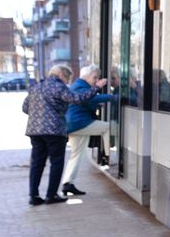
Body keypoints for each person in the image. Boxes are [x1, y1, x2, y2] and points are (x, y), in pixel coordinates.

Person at [22, 64, 107, 205]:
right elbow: (78, 99)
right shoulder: (58, 86)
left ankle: (34, 196)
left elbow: (25, 108)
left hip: (35, 131)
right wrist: (96, 88)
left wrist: (39, 115)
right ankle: (51, 195)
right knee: (56, 162)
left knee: (37, 163)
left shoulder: (35, 87)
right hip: (54, 131)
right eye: (67, 78)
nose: (67, 82)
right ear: (61, 75)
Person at [60, 65, 115, 196]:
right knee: (107, 127)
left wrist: (96, 103)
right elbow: (92, 98)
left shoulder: (79, 86)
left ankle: (67, 184)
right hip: (79, 123)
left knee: (76, 155)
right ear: (85, 76)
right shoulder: (80, 86)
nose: (96, 81)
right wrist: (113, 97)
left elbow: (87, 101)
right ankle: (108, 157)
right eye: (94, 77)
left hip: (74, 125)